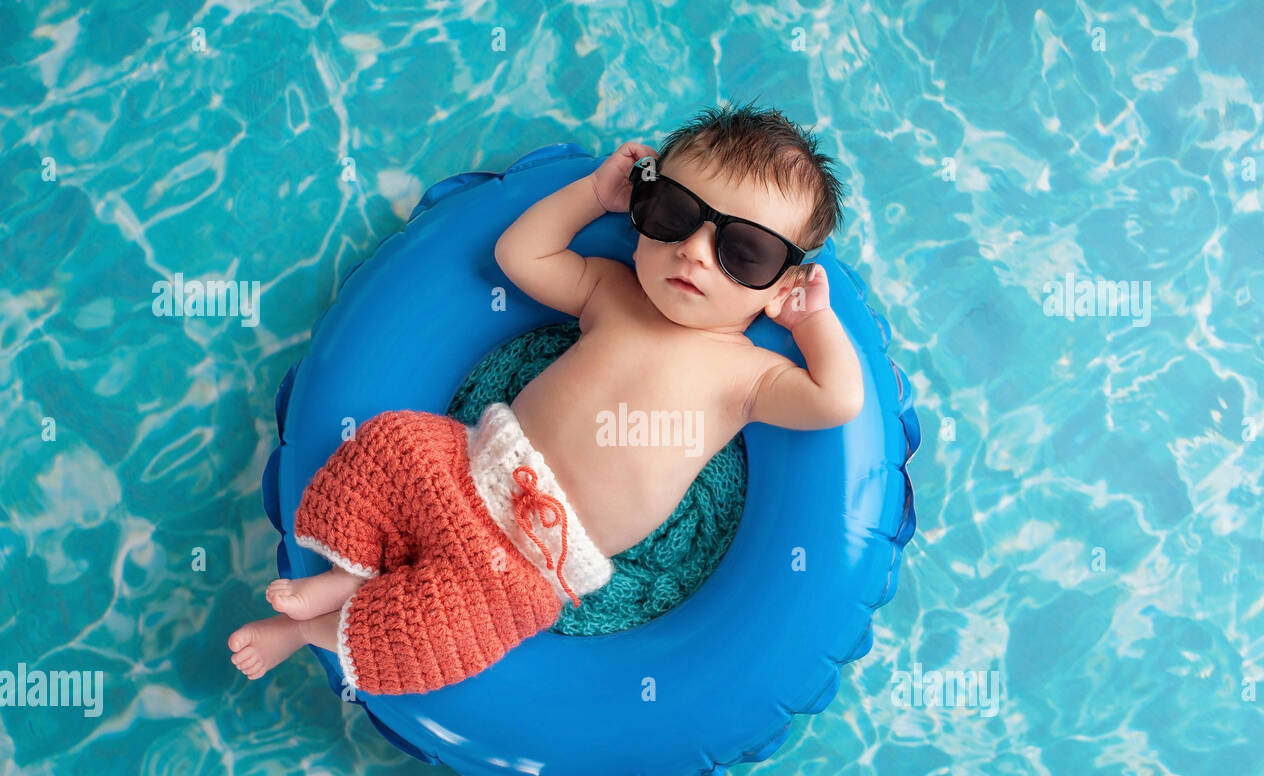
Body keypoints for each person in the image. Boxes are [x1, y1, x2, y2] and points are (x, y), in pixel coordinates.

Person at [229, 101, 863, 695]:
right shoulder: (614, 294)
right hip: (469, 467)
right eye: (672, 214)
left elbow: (835, 400)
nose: (693, 252)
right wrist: (594, 195)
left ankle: (305, 632)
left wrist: (812, 322)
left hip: (530, 563)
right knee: (392, 442)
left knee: (441, 637)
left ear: (783, 281)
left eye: (744, 252)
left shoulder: (748, 376)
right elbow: (521, 254)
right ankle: (343, 575)